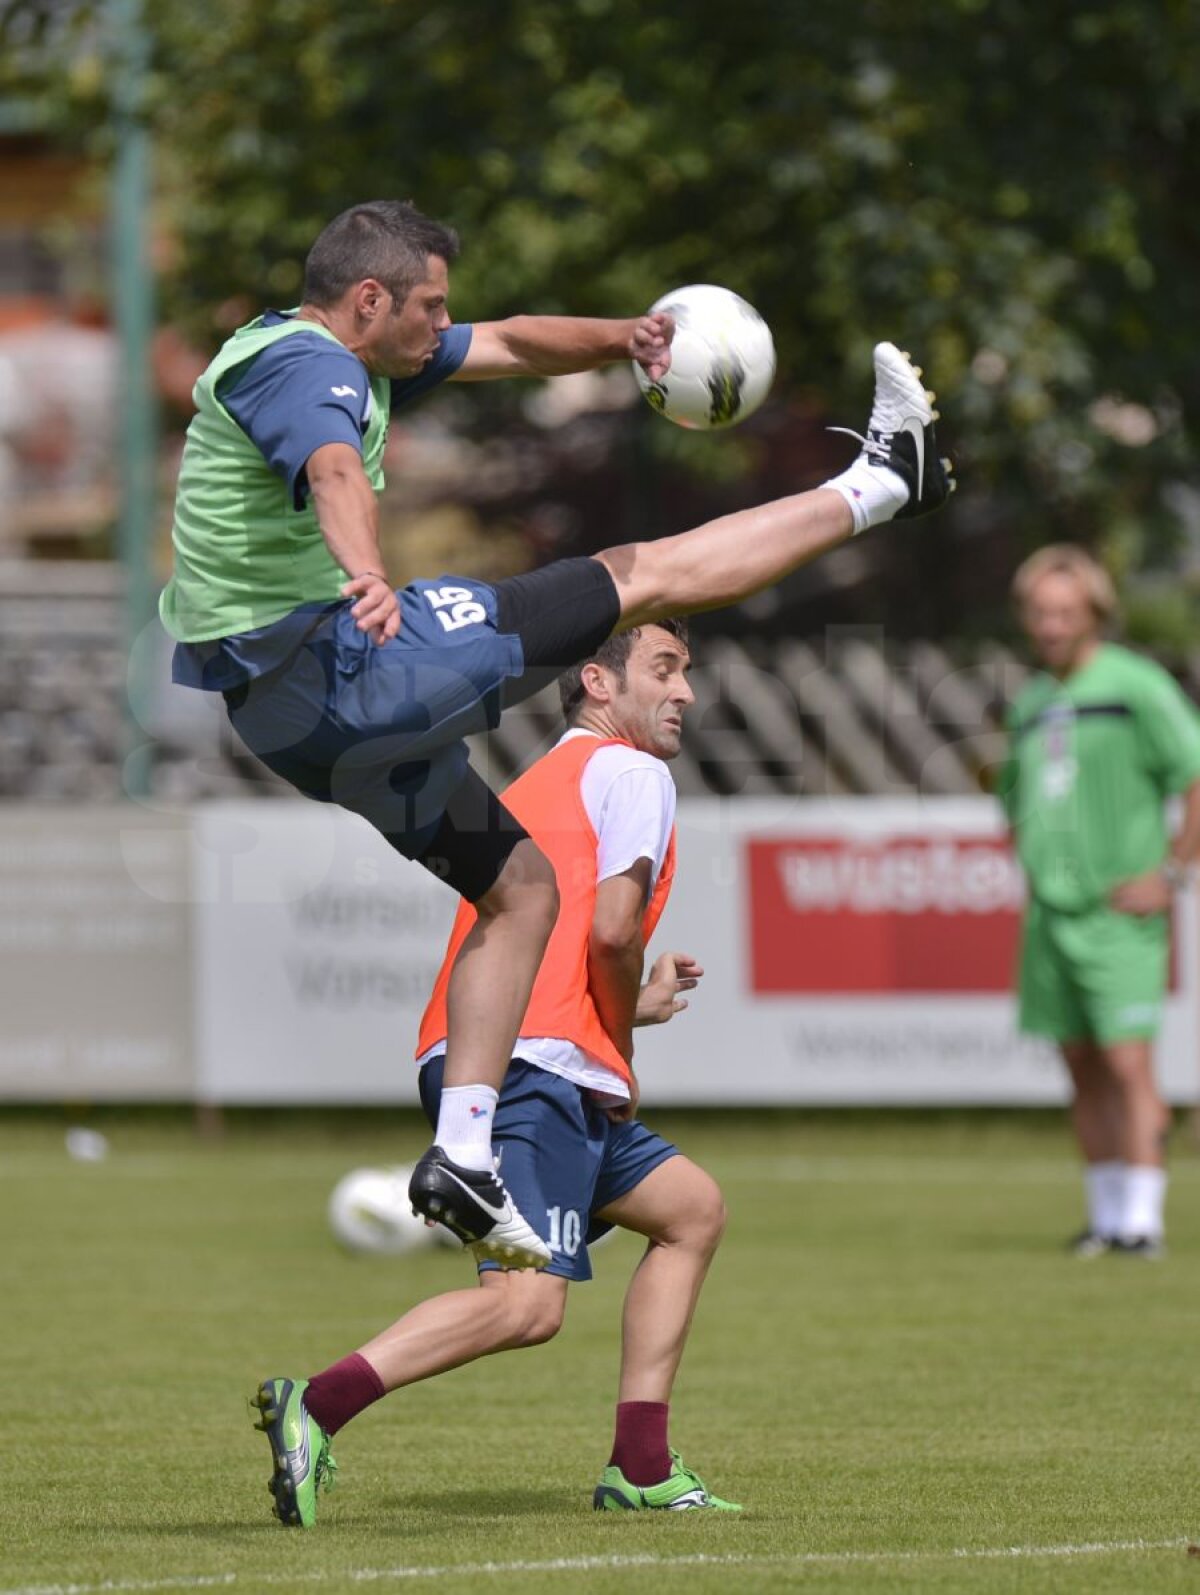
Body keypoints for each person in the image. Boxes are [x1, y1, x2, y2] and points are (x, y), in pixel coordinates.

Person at [160, 198, 953, 1271]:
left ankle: (462, 1155)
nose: (446, 321)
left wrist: (625, 335)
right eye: (429, 302)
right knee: (642, 575)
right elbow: (337, 473)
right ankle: (884, 479)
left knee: (520, 888)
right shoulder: (314, 369)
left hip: (294, 725)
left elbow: (518, 340)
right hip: (350, 664)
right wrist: (367, 571)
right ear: (366, 299)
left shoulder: (330, 349)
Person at [252, 618, 746, 1525]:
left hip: (501, 1054)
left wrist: (626, 1006)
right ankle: (316, 1405)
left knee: (691, 1211)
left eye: (689, 672)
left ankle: (640, 1464)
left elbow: (560, 947)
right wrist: (624, 1051)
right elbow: (611, 930)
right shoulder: (636, 772)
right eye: (665, 669)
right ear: (597, 681)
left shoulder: (531, 782)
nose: (686, 692)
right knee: (525, 1305)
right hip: (538, 1072)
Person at [1000, 544, 1200, 1258]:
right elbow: (1014, 799)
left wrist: (1173, 874)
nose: (1051, 625)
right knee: (1080, 1065)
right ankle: (1107, 1216)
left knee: (1127, 1064)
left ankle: (1144, 1221)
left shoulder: (1135, 684)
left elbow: (1194, 773)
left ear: (1094, 613)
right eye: (1040, 611)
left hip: (1121, 913)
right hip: (1050, 914)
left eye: (1065, 611)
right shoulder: (1031, 701)